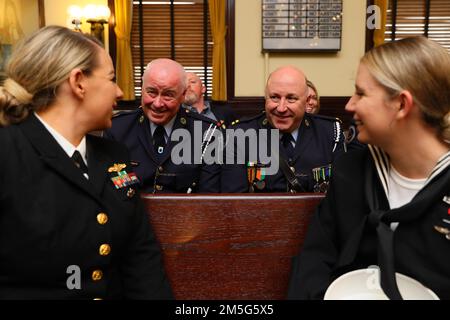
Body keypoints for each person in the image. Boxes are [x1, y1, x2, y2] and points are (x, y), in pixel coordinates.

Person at [0, 26, 172, 299]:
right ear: (79, 82)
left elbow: (140, 257)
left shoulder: (114, 155)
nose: (119, 92)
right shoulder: (8, 152)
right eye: (112, 79)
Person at [287, 36, 450, 300]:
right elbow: (314, 260)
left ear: (401, 104)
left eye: (361, 93)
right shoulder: (351, 170)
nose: (349, 105)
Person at [104, 59, 221, 193]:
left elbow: (208, 199)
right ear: (142, 90)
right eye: (151, 92)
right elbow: (111, 190)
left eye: (168, 95)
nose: (158, 103)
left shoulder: (206, 133)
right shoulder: (118, 129)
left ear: (183, 95)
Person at [221, 65, 345, 193]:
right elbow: (234, 202)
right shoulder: (240, 135)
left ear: (307, 101)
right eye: (274, 97)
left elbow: (342, 194)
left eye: (291, 98)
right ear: (265, 98)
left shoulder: (330, 132)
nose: (281, 108)